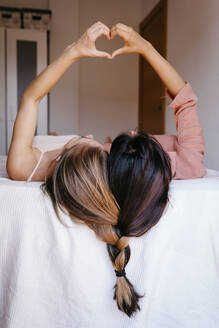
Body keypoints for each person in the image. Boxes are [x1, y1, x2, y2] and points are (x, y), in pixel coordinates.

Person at [6, 22, 206, 317]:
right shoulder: (156, 167)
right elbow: (185, 103)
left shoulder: (64, 167)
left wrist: (74, 51)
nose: (91, 137)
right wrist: (146, 48)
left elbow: (30, 99)